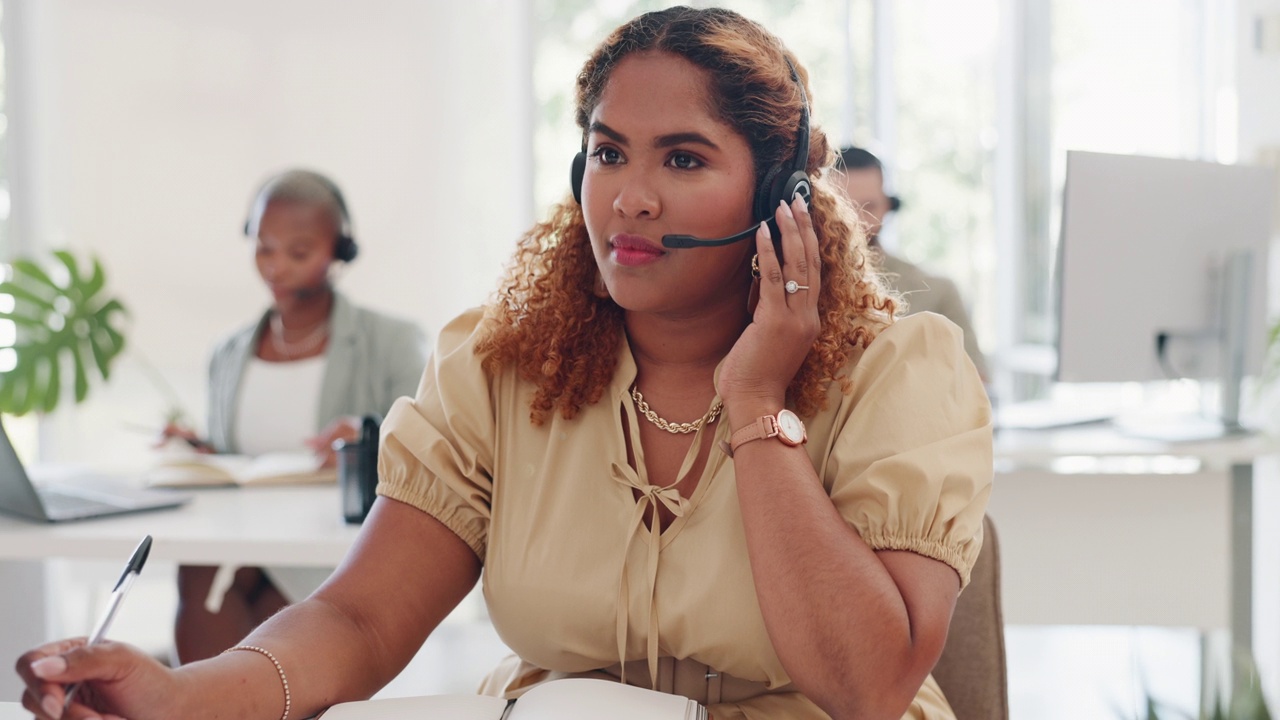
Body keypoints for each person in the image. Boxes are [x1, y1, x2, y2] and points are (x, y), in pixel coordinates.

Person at [17, 8, 991, 720]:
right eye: (608, 154)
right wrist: (181, 697)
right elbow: (358, 620)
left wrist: (755, 402)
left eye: (682, 160)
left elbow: (869, 685)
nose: (631, 198)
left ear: (778, 195)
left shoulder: (898, 370)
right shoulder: (503, 366)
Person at [162, 169, 430, 664]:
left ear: (339, 253)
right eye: (264, 248)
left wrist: (367, 436)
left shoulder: (393, 342)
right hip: (244, 537)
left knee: (272, 612)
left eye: (298, 252)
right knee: (197, 567)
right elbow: (239, 454)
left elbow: (433, 441)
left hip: (333, 546)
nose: (276, 266)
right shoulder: (228, 352)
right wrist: (198, 449)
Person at [834, 146, 990, 380]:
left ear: (888, 207)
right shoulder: (800, 289)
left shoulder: (937, 292)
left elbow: (975, 383)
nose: (857, 222)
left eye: (869, 207)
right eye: (845, 208)